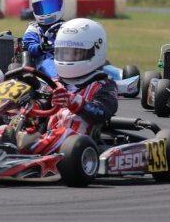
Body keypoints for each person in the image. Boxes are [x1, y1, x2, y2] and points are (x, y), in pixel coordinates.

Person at [17, 18, 119, 154]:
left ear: (95, 51)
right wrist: (28, 108)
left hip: (81, 146)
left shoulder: (105, 85)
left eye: (76, 53)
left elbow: (100, 113)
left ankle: (26, 149)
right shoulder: (54, 83)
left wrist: (73, 101)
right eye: (64, 53)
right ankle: (5, 144)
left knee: (64, 134)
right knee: (7, 127)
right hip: (50, 138)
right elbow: (41, 107)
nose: (68, 58)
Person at [21, 0, 65, 79]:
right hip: (43, 67)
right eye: (41, 8)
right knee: (49, 63)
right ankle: (58, 81)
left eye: (50, 7)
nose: (46, 13)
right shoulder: (33, 29)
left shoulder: (67, 27)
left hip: (68, 60)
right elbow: (29, 46)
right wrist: (41, 48)